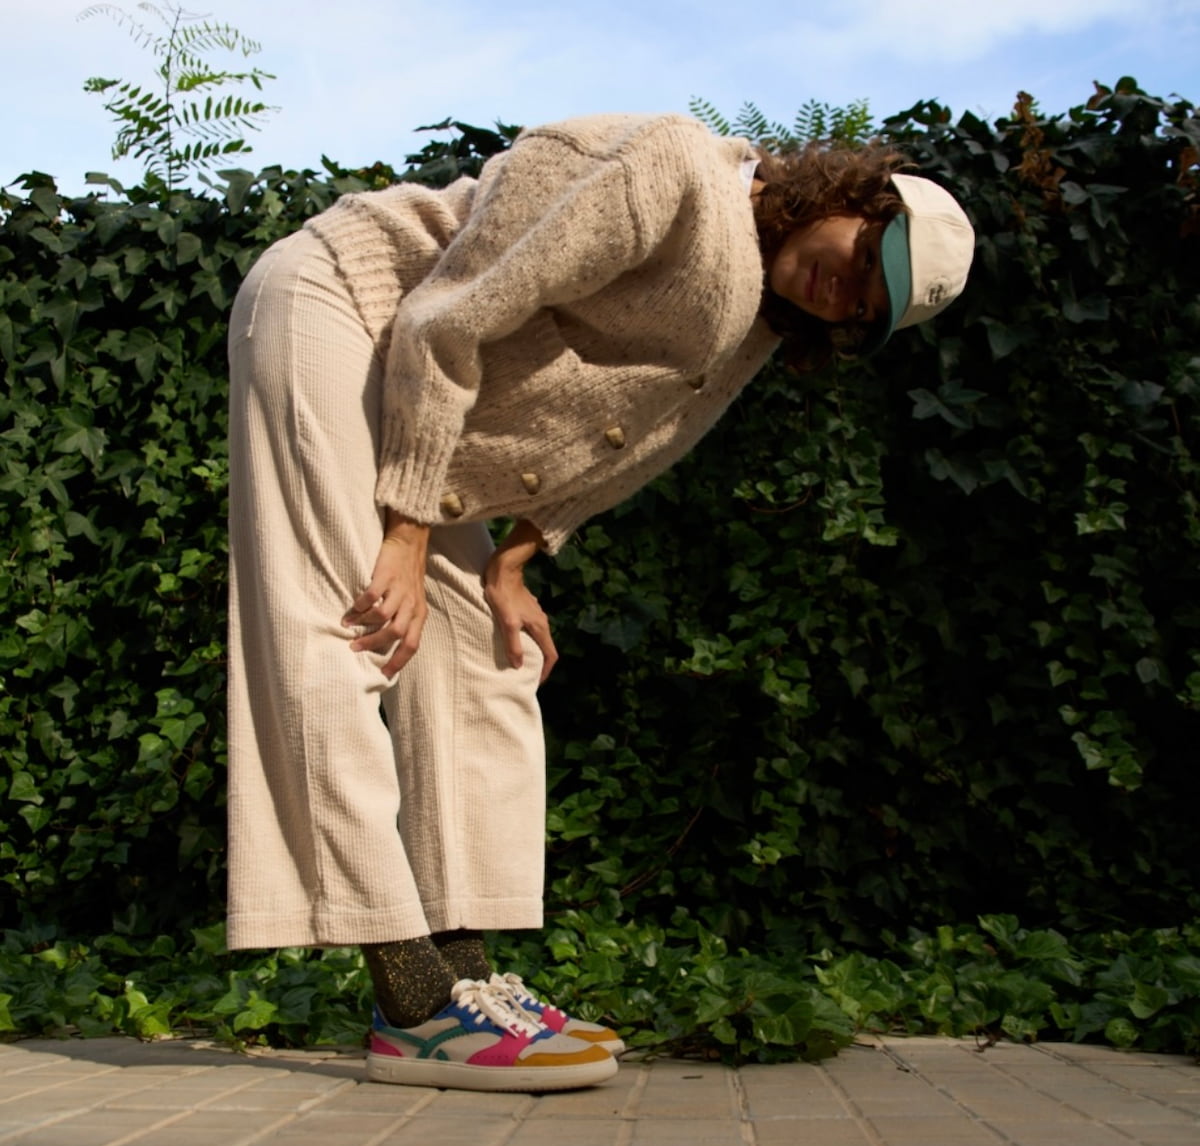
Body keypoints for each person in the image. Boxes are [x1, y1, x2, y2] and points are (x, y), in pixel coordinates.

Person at [225, 112, 974, 1092]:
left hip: (422, 402)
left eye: (868, 311)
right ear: (854, 199)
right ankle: (409, 1000)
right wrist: (406, 531)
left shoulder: (753, 318)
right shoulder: (664, 170)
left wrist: (518, 560)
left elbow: (633, 443)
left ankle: (465, 971)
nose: (846, 292)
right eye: (868, 258)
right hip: (344, 306)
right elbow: (448, 313)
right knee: (345, 628)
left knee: (494, 667)